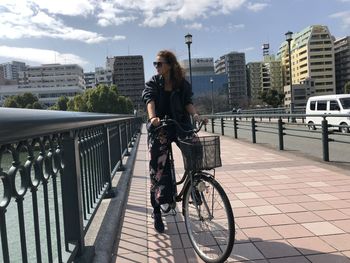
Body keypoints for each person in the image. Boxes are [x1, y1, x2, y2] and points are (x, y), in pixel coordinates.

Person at [142, 50, 202, 233]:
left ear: (170, 65)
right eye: (156, 64)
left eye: (159, 63)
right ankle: (157, 210)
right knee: (157, 166)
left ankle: (194, 184)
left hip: (179, 124)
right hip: (160, 127)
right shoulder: (153, 82)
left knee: (195, 147)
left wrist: (196, 115)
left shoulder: (180, 84)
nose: (157, 67)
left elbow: (187, 102)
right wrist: (153, 118)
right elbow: (149, 99)